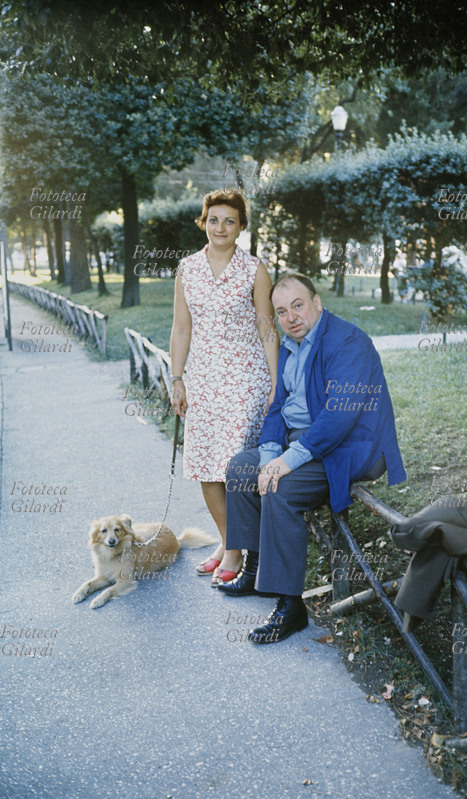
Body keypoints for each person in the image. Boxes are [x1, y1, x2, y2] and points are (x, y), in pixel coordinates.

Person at [218, 272, 407, 642]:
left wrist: (286, 462)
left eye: (298, 305)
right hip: (305, 441)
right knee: (242, 468)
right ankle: (255, 569)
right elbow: (277, 406)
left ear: (317, 303)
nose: (291, 317)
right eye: (282, 311)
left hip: (351, 446)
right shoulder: (291, 345)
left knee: (279, 487)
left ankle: (290, 607)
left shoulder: (348, 342)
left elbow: (339, 416)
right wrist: (269, 455)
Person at [170, 190, 279, 586]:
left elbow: (267, 328)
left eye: (229, 221)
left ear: (241, 227)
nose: (221, 228)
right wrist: (177, 378)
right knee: (206, 466)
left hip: (244, 379)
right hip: (201, 380)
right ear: (204, 222)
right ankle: (226, 541)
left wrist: (275, 382)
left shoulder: (255, 270)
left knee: (234, 466)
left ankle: (236, 550)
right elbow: (182, 327)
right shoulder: (187, 268)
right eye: (214, 219)